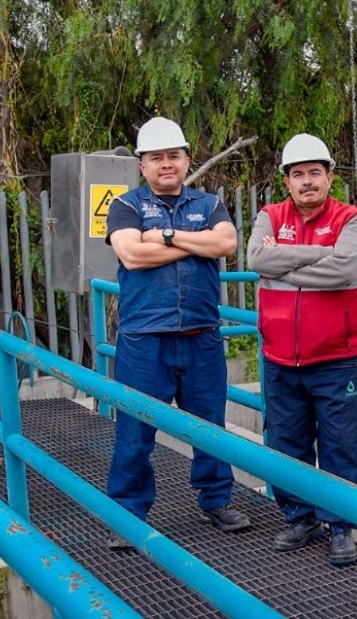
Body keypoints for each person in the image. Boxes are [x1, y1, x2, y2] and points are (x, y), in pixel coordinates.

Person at [104, 116, 249, 549]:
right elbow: (131, 255)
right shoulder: (125, 206)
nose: (166, 164)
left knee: (210, 426)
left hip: (202, 334)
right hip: (144, 339)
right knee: (134, 430)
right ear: (142, 165)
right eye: (156, 158)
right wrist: (193, 240)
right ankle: (128, 514)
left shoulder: (210, 203)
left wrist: (165, 235)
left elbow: (225, 244)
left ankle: (216, 498)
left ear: (187, 160)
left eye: (174, 156)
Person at [247, 133, 357, 566]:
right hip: (280, 358)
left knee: (340, 445)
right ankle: (299, 517)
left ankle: (340, 526)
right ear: (287, 181)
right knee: (286, 442)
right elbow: (258, 261)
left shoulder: (350, 218)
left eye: (315, 173)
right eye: (298, 174)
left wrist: (286, 267)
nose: (307, 182)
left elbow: (347, 267)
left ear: (330, 177)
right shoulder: (269, 215)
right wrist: (317, 256)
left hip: (335, 358)